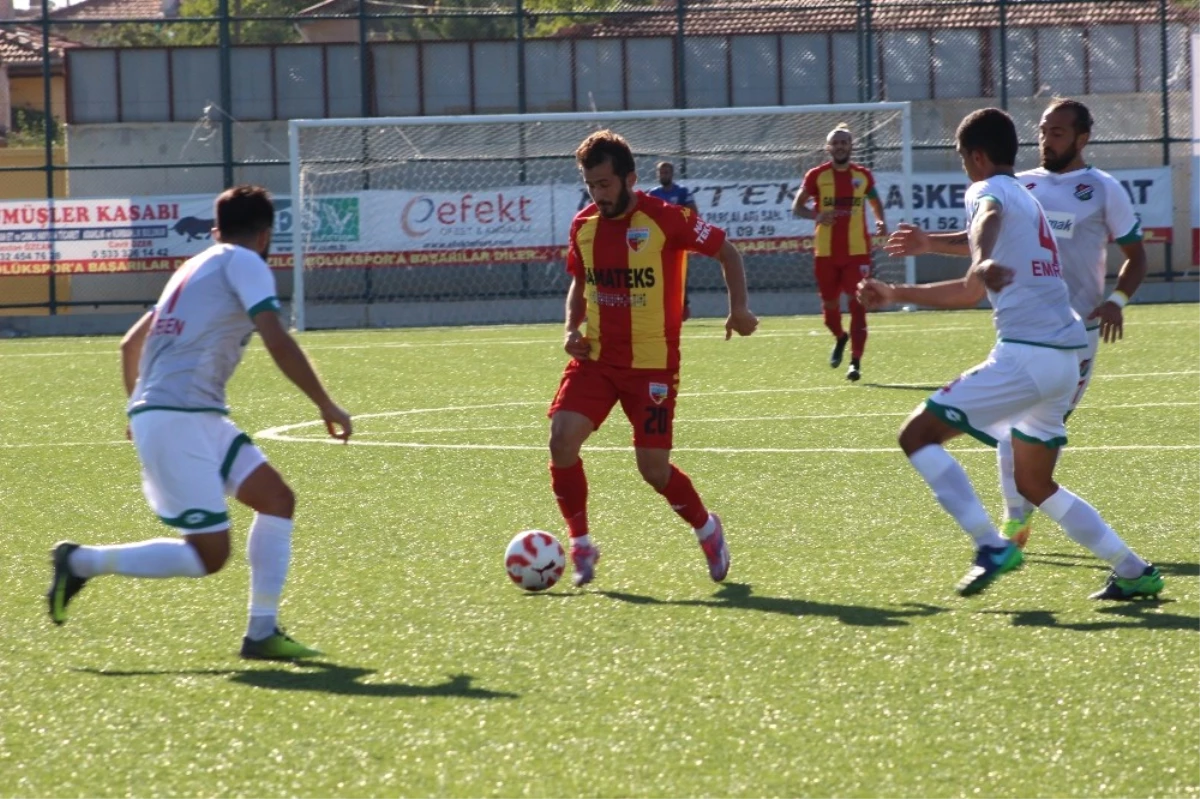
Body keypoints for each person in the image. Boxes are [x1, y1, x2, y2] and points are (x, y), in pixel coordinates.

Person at [857, 108, 1161, 600]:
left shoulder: (988, 191)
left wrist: (974, 261)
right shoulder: (1027, 194)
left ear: (975, 157)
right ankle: (1133, 569)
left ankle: (991, 545)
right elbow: (975, 271)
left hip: (1028, 355)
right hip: (1066, 356)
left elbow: (983, 236)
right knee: (1035, 482)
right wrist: (907, 283)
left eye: (962, 159)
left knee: (917, 435)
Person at [45, 185, 353, 659]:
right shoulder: (246, 261)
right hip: (179, 418)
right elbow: (276, 338)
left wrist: (138, 407)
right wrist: (325, 403)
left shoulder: (191, 268)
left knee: (276, 500)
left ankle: (262, 632)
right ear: (266, 235)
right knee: (208, 556)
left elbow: (130, 344)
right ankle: (80, 561)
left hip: (192, 415)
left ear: (216, 230)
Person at [548, 130, 758, 587]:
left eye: (605, 184)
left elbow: (727, 251)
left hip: (653, 367)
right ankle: (581, 543)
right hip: (598, 359)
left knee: (653, 469)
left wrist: (737, 307)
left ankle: (707, 528)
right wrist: (570, 329)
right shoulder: (583, 226)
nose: (598, 195)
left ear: (629, 178)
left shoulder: (666, 219)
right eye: (591, 186)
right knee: (561, 440)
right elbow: (580, 283)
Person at [792, 124, 887, 381]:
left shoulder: (863, 176)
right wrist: (818, 215)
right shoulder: (816, 176)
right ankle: (840, 336)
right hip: (826, 253)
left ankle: (855, 362)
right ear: (828, 148)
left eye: (844, 142)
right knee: (830, 308)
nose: (840, 146)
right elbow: (797, 207)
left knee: (858, 305)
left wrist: (880, 220)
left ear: (851, 146)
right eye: (836, 143)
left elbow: (876, 201)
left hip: (857, 253)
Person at [648, 161, 701, 321]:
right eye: (661, 172)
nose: (664, 175)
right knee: (657, 273)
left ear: (672, 174)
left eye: (667, 172)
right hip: (659, 241)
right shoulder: (653, 194)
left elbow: (693, 212)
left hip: (678, 240)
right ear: (658, 174)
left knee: (680, 273)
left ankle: (683, 307)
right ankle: (659, 307)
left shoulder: (683, 192)